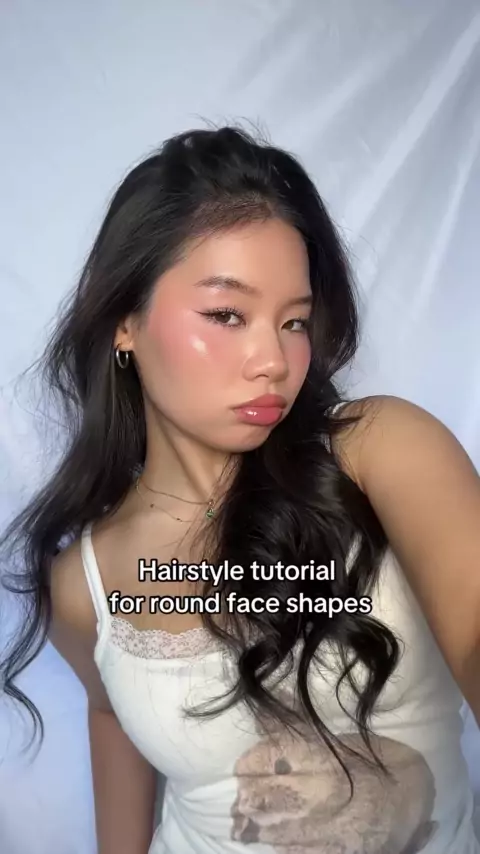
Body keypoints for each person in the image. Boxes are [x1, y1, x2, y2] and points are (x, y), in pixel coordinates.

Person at [1, 125, 479, 854]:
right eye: (227, 315)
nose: (274, 361)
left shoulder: (381, 451)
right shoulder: (85, 583)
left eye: (294, 321)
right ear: (125, 321)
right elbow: (113, 715)